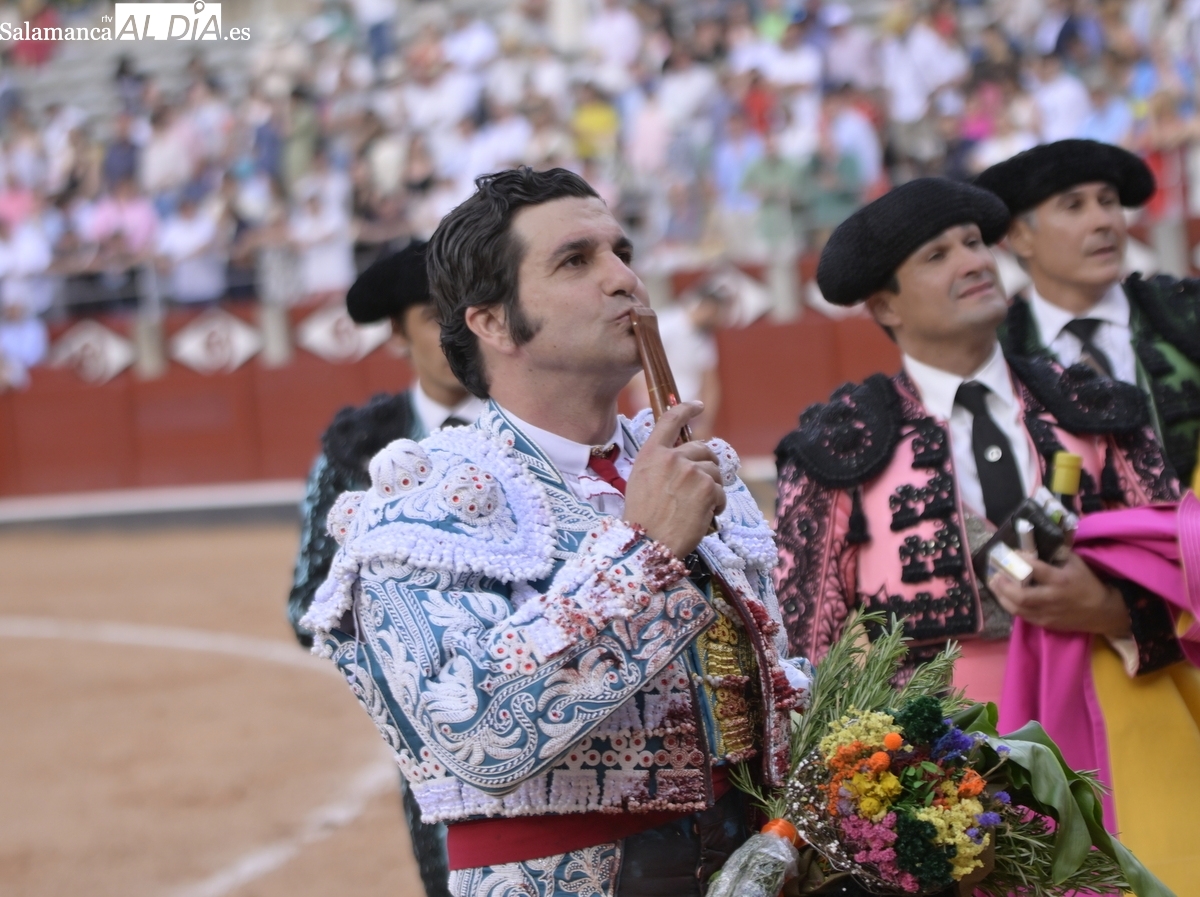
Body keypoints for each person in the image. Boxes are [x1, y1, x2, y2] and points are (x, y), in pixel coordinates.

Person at [300, 168, 810, 897]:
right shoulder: (422, 504)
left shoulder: (696, 472)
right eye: (576, 260)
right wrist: (643, 553)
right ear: (493, 322)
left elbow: (774, 687)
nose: (624, 278)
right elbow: (476, 731)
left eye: (621, 250)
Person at [772, 177, 1196, 891]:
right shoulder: (837, 445)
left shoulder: (1092, 405)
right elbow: (811, 648)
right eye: (938, 255)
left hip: (1115, 732)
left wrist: (1114, 611)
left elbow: (1182, 564)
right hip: (935, 778)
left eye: (973, 243)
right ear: (885, 305)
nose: (972, 262)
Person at [287, 240, 483, 897]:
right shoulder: (357, 449)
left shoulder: (548, 425)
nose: (455, 332)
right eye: (434, 316)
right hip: (431, 743)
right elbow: (308, 603)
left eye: (469, 311)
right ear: (397, 333)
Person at [976, 139, 1200, 486]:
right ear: (1020, 237)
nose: (1103, 221)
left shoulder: (1188, 309)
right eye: (1074, 206)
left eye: (1108, 202)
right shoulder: (994, 351)